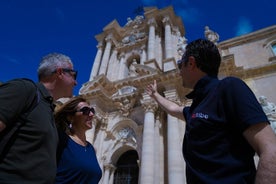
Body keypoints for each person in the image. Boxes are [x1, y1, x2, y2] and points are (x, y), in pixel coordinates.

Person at [146, 39, 276, 184]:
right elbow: (174, 109)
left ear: (191, 63)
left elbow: (271, 150)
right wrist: (155, 95)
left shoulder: (229, 87)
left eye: (179, 64)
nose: (179, 71)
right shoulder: (196, 107)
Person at [0, 52, 77, 183]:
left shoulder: (48, 108)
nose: (76, 82)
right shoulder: (24, 89)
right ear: (60, 73)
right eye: (74, 75)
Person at [54, 96, 102, 183]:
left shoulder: (91, 149)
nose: (91, 114)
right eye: (85, 110)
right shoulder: (61, 140)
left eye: (92, 111)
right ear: (70, 117)